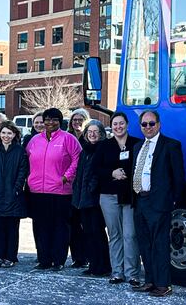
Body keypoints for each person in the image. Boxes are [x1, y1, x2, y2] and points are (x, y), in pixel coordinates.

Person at [131, 110, 185, 297]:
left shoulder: (170, 145)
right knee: (144, 244)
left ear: (159, 124)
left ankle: (163, 284)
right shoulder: (138, 146)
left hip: (159, 203)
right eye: (144, 124)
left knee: (160, 244)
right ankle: (150, 281)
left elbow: (178, 177)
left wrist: (172, 200)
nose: (147, 127)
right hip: (140, 201)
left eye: (151, 123)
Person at [25, 108, 82, 271]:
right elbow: (27, 158)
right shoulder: (35, 140)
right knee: (40, 226)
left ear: (60, 121)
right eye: (47, 119)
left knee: (59, 226)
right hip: (37, 191)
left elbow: (78, 159)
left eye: (54, 119)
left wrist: (66, 177)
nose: (50, 123)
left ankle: (58, 260)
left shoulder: (68, 139)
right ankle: (43, 259)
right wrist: (30, 179)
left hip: (60, 191)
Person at [93, 111, 141, 286]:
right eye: (115, 124)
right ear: (111, 127)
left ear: (127, 124)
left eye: (121, 123)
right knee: (115, 235)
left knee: (130, 235)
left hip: (129, 196)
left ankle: (133, 273)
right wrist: (111, 173)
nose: (118, 127)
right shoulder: (104, 146)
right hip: (108, 195)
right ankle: (117, 272)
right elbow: (96, 168)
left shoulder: (136, 144)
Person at [0, 121, 28, 268]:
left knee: (12, 228)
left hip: (13, 195)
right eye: (3, 132)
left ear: (14, 134)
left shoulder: (19, 151)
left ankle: (10, 256)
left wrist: (16, 188)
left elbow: (23, 171)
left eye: (9, 133)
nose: (6, 135)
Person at [71, 120, 111, 277]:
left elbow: (99, 175)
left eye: (96, 132)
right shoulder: (84, 151)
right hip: (82, 199)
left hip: (95, 200)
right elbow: (79, 176)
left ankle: (103, 266)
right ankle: (93, 264)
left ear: (101, 134)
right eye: (90, 132)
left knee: (98, 233)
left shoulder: (103, 150)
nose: (93, 134)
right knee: (88, 233)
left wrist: (91, 190)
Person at [66, 108, 90, 269]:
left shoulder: (90, 138)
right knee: (72, 224)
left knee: (87, 224)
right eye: (74, 120)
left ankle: (88, 255)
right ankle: (77, 257)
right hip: (69, 187)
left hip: (85, 188)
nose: (77, 122)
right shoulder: (67, 138)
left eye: (80, 119)